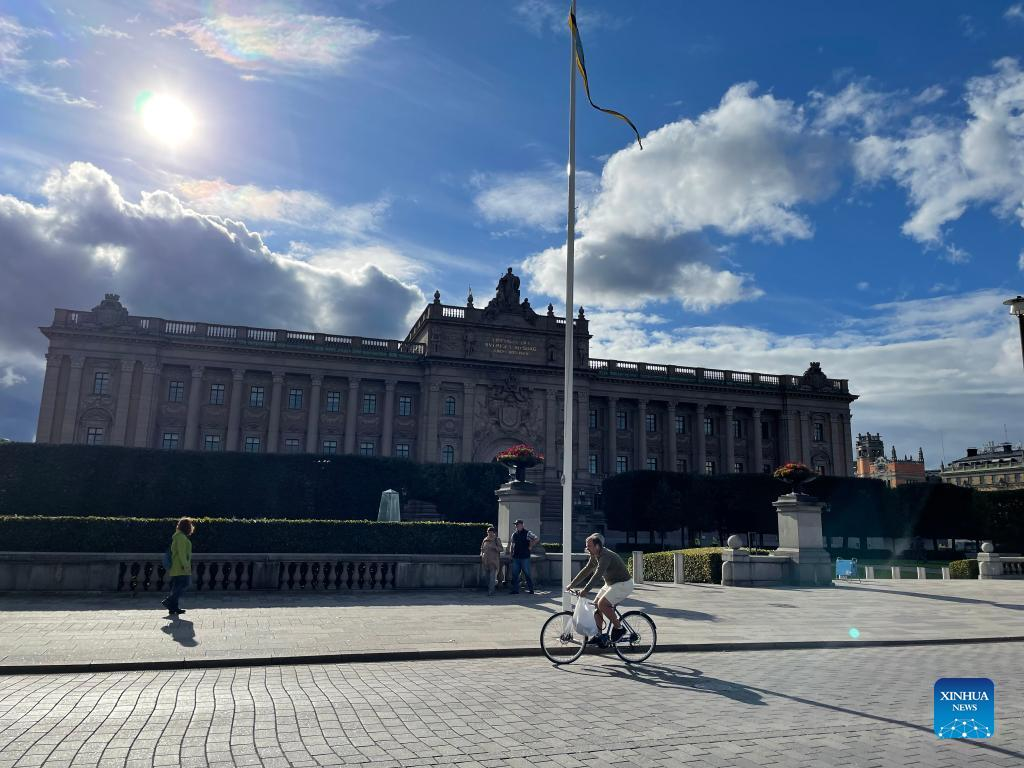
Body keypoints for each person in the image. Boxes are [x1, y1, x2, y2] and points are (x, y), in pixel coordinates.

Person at [567, 533, 633, 644]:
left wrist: (585, 590)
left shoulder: (605, 556)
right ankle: (599, 636)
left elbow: (597, 575)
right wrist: (572, 584)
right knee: (596, 605)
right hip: (611, 584)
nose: (587, 548)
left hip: (623, 584)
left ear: (597, 546)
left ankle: (619, 628)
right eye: (586, 546)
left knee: (602, 604)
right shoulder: (594, 555)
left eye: (589, 546)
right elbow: (586, 570)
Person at [162, 517, 194, 616]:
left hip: (176, 567)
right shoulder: (181, 537)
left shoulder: (178, 536)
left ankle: (173, 607)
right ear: (187, 527)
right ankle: (169, 601)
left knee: (176, 587)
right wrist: (185, 565)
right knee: (185, 584)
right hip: (181, 567)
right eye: (190, 525)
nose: (192, 527)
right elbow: (181, 553)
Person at [507, 519, 538, 594]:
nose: (516, 526)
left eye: (517, 524)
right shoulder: (514, 534)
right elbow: (512, 544)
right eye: (516, 525)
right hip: (516, 557)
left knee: (527, 574)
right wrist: (511, 554)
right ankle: (515, 590)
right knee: (515, 574)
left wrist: (531, 546)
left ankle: (531, 589)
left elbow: (536, 538)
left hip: (525, 557)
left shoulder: (528, 533)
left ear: (522, 525)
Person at [479, 525, 503, 596]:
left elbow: (501, 549)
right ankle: (490, 589)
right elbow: (482, 548)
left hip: (494, 562)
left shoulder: (497, 539)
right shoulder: (485, 539)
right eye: (488, 532)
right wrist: (481, 554)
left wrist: (495, 547)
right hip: (485, 561)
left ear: (493, 532)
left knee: (492, 577)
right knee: (487, 577)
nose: (489, 533)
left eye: (490, 532)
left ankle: (491, 591)